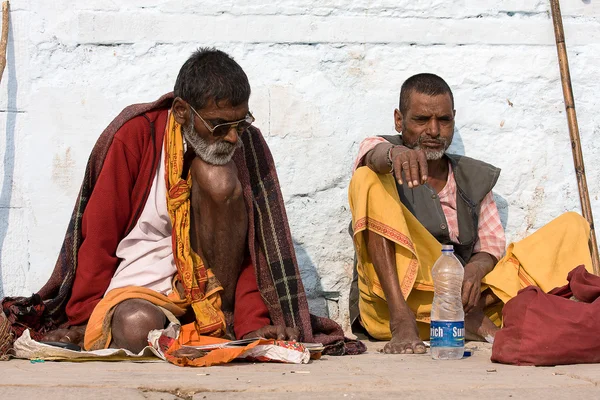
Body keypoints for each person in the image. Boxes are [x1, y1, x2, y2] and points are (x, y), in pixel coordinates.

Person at [0, 48, 364, 358]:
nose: (233, 136)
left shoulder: (245, 145)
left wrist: (252, 322)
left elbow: (257, 248)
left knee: (217, 176)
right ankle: (187, 335)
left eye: (241, 122)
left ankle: (221, 326)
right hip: (145, 284)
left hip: (222, 293)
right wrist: (82, 320)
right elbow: (99, 236)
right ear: (180, 112)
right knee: (135, 327)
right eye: (220, 125)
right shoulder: (136, 135)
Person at [348, 73, 592, 355]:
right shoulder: (383, 155)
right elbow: (374, 154)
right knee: (366, 178)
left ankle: (469, 316)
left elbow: (490, 246)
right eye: (421, 120)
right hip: (400, 306)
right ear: (399, 120)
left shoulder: (473, 177)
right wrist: (395, 155)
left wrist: (475, 270)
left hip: (463, 303)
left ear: (454, 118)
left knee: (572, 226)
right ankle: (403, 321)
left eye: (444, 120)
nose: (434, 130)